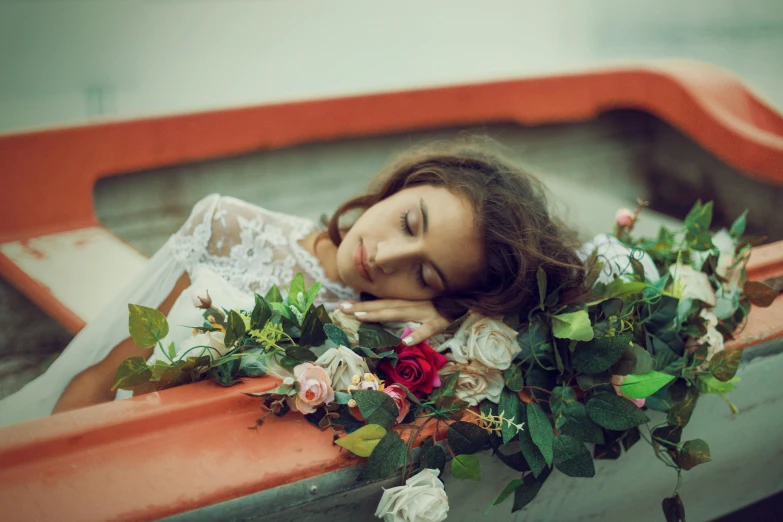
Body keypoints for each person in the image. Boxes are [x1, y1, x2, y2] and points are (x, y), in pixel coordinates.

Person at [0, 140, 589, 427]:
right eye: (410, 221)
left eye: (425, 272)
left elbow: (554, 309)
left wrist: (455, 320)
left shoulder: (397, 337)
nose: (385, 257)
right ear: (408, 182)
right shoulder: (228, 226)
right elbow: (102, 378)